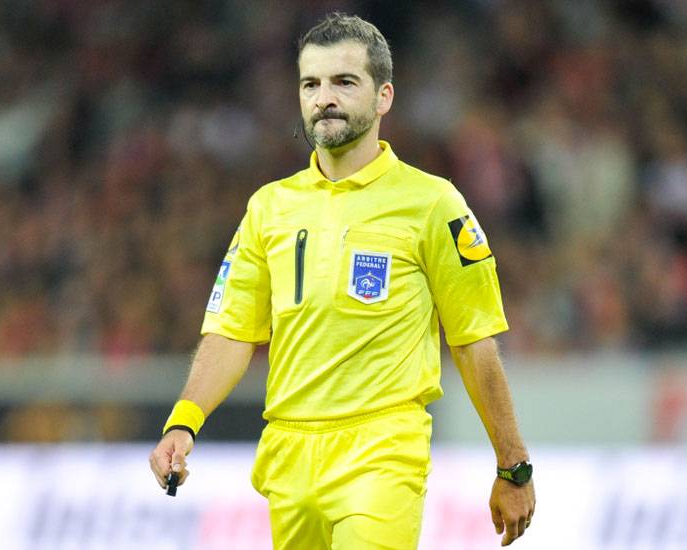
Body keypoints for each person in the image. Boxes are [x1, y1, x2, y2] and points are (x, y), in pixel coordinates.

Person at [149, 13, 535, 548]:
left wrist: (512, 464)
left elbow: (474, 342)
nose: (323, 97)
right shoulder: (270, 208)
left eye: (343, 82)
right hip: (289, 452)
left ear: (384, 97)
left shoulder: (432, 204)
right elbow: (233, 331)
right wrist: (182, 424)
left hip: (381, 449)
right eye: (311, 84)